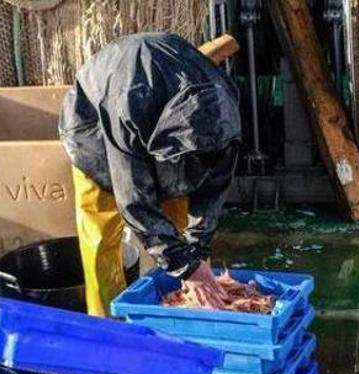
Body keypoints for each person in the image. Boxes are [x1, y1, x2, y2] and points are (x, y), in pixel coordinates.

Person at [60, 31, 242, 317]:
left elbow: (214, 188)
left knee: (180, 230)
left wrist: (195, 253)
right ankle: (109, 321)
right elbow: (131, 197)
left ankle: (188, 309)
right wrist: (184, 265)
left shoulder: (225, 118)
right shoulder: (127, 107)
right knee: (101, 233)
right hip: (97, 124)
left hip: (154, 103)